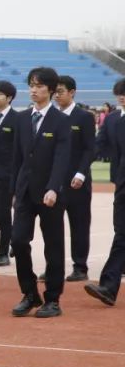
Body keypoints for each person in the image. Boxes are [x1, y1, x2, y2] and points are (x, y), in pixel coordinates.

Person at [9, 67, 72, 319]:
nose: (33, 90)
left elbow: (62, 158)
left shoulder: (61, 121)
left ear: (51, 90)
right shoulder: (22, 119)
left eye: (39, 86)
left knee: (53, 246)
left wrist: (53, 187)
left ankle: (53, 299)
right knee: (18, 241)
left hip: (50, 194)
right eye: (31, 85)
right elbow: (17, 158)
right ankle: (29, 293)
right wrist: (14, 190)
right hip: (25, 192)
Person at [53, 75, 95, 282]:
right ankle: (54, 267)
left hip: (77, 181)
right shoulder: (51, 116)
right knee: (53, 226)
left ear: (72, 92)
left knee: (79, 225)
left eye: (60, 91)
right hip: (54, 182)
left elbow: (90, 149)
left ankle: (80, 267)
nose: (56, 96)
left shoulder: (84, 117)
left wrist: (81, 173)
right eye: (54, 92)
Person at [83, 105, 125, 307]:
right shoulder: (113, 119)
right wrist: (80, 168)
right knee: (122, 234)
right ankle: (108, 287)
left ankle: (109, 285)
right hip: (122, 183)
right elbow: (99, 145)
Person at [0, 80, 21, 267]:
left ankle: (3, 254)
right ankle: (15, 237)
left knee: (3, 213)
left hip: (7, 175)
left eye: (0, 94)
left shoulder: (17, 119)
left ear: (9, 98)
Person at [96, 78, 125, 184]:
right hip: (117, 174)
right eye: (119, 94)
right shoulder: (111, 118)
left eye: (124, 94)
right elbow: (99, 142)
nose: (121, 97)